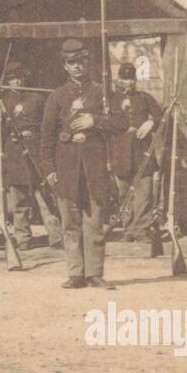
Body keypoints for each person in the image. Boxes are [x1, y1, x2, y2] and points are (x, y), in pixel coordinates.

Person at [41, 39, 127, 289]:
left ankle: (95, 273)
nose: (77, 67)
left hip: (94, 167)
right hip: (66, 169)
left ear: (87, 63)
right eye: (71, 63)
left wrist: (95, 120)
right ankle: (76, 273)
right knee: (70, 221)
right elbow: (45, 137)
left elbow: (121, 123)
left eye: (80, 61)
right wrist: (48, 169)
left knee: (95, 220)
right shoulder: (56, 97)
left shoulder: (102, 92)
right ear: (64, 66)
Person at [0, 62, 63, 251]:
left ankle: (56, 235)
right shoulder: (2, 100)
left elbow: (48, 124)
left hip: (35, 150)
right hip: (14, 152)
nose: (17, 81)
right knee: (18, 198)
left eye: (19, 77)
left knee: (44, 195)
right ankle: (23, 238)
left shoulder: (37, 98)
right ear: (8, 81)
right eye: (12, 78)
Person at [109, 62, 162, 241]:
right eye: (124, 78)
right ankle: (128, 229)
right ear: (118, 79)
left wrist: (151, 122)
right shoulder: (110, 99)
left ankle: (141, 230)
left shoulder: (145, 98)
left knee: (144, 192)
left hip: (142, 151)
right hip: (119, 151)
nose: (128, 82)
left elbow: (161, 115)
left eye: (131, 78)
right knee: (124, 193)